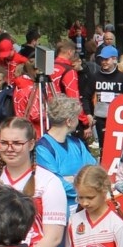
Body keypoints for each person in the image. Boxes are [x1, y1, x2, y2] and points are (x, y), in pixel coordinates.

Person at [0, 118, 67, 247]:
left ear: (31, 144)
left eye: (17, 143)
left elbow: (53, 237)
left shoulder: (50, 182)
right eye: (4, 143)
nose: (9, 148)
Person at [34, 95, 98, 229]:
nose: (78, 123)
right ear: (69, 121)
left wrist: (74, 182)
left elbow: (94, 170)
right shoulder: (43, 147)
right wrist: (85, 190)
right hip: (58, 212)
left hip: (82, 209)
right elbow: (55, 182)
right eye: (76, 118)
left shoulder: (77, 143)